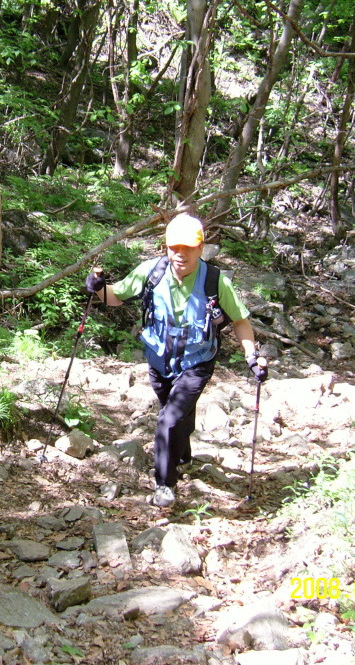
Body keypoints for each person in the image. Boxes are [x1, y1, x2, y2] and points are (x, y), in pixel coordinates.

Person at [85, 214, 267, 508]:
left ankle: (165, 484)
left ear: (201, 248)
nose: (180, 254)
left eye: (188, 248)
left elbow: (240, 321)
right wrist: (97, 287)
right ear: (166, 247)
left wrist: (251, 356)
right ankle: (182, 455)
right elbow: (115, 297)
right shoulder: (151, 272)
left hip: (197, 361)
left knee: (169, 419)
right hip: (159, 361)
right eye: (174, 248)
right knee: (175, 411)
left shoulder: (214, 280)